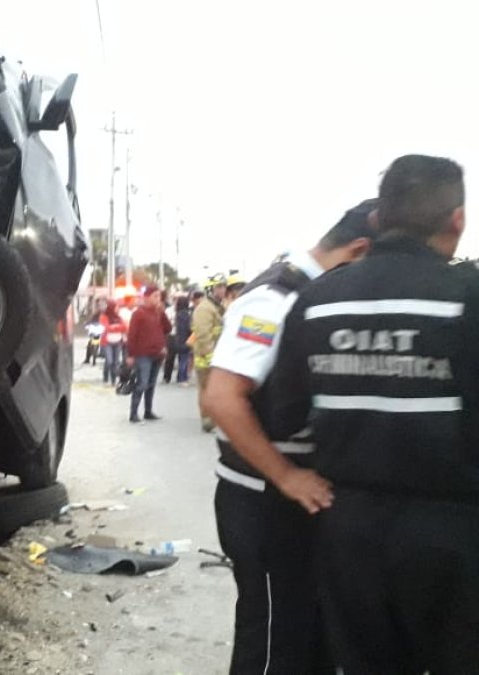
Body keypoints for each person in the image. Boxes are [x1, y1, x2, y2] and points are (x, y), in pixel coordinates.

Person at [266, 155, 479, 674]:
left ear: (379, 220)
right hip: (453, 531)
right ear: (458, 220)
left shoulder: (317, 300)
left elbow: (283, 416)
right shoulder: (467, 294)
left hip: (349, 528)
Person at [202, 199, 377, 674]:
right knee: (275, 642)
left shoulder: (314, 297)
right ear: (359, 251)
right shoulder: (275, 299)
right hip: (263, 500)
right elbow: (221, 398)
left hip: (285, 501)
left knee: (304, 635)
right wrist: (287, 477)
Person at [126, 286, 171, 422]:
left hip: (157, 354)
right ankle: (133, 413)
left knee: (151, 384)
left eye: (159, 296)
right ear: (146, 297)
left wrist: (163, 313)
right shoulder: (138, 313)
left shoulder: (158, 313)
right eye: (155, 296)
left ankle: (148, 411)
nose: (158, 299)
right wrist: (130, 355)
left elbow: (168, 328)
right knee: (142, 383)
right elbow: (132, 335)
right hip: (142, 354)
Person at [192, 274, 228, 431]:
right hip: (206, 358)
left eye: (224, 286)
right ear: (210, 290)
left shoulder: (218, 307)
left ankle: (214, 418)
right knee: (206, 390)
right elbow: (203, 334)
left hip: (217, 356)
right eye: (219, 287)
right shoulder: (204, 309)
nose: (223, 290)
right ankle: (207, 420)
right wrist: (211, 356)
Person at [164, 296, 194, 385]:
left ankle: (167, 376)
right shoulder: (186, 314)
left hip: (172, 337)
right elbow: (189, 328)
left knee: (170, 358)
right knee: (183, 359)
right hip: (183, 338)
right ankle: (181, 378)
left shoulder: (174, 313)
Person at [99, 300, 127, 385]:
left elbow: (124, 327)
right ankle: (106, 375)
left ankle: (113, 380)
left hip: (117, 342)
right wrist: (116, 327)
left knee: (116, 361)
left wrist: (114, 327)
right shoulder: (104, 317)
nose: (118, 309)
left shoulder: (119, 317)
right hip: (107, 342)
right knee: (109, 360)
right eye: (116, 307)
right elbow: (106, 328)